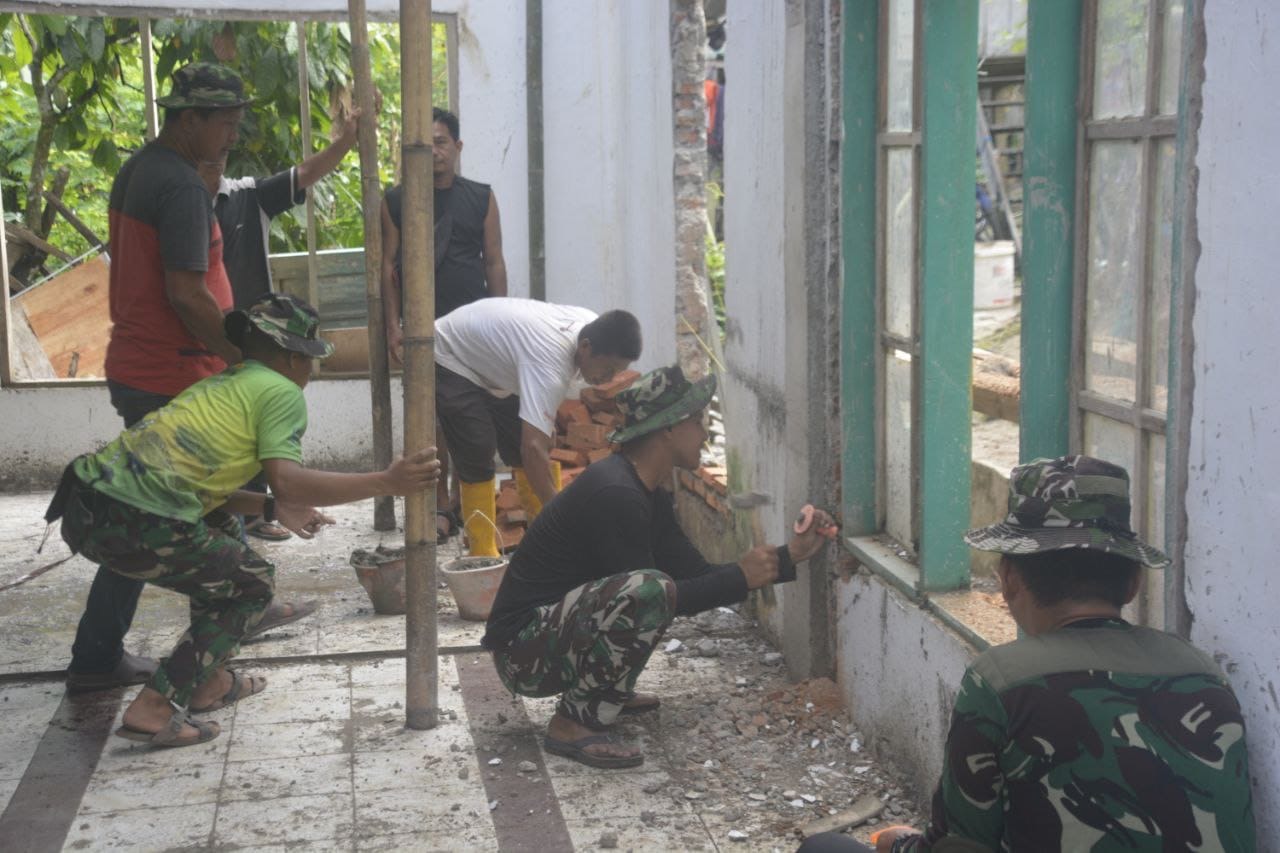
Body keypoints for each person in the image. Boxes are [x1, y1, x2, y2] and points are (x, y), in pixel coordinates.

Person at [800, 456, 1256, 853]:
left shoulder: (1001, 680)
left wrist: (900, 843)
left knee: (825, 847)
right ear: (1134, 581)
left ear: (1009, 580)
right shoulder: (1203, 672)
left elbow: (963, 847)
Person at [46, 294, 439, 747]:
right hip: (137, 520)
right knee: (251, 585)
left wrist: (271, 509)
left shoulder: (222, 385)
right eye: (309, 362)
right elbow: (288, 481)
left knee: (220, 533)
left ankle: (208, 683)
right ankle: (155, 706)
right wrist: (388, 481)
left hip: (86, 509)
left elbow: (202, 489)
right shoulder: (281, 392)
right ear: (295, 358)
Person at [482, 365, 836, 768]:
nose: (704, 433)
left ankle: (603, 691)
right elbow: (655, 598)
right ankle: (572, 725)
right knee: (649, 592)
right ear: (667, 429)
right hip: (521, 655)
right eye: (696, 422)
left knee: (652, 590)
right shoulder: (616, 493)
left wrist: (788, 555)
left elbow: (696, 577)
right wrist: (741, 576)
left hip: (550, 637)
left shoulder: (647, 489)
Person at [65, 63, 249, 695]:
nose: (230, 136)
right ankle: (155, 664)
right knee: (149, 527)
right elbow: (188, 294)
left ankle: (222, 636)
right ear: (189, 118)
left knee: (188, 515)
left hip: (147, 367)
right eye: (223, 124)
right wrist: (239, 357)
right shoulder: (179, 187)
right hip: (171, 374)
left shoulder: (143, 168)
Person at [198, 103, 365, 541]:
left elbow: (306, 173)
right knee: (218, 430)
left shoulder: (247, 196)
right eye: (205, 158)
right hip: (195, 335)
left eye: (220, 155)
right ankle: (220, 516)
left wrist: (345, 142)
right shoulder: (176, 203)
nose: (215, 162)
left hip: (254, 339)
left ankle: (254, 514)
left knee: (257, 424)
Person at [381, 106, 508, 543]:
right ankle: (436, 506)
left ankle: (460, 500)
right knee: (429, 418)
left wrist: (500, 320)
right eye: (424, 143)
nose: (433, 151)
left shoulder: (481, 196)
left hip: (473, 331)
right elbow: (388, 267)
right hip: (423, 330)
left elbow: (493, 260)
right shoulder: (397, 200)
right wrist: (393, 328)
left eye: (440, 142)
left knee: (469, 417)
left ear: (456, 147)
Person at [435, 298, 641, 557]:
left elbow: (534, 441)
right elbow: (533, 448)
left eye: (618, 372)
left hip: (496, 364)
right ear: (586, 348)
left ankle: (541, 536)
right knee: (478, 447)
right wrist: (561, 515)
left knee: (520, 443)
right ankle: (483, 553)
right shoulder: (550, 363)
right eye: (609, 369)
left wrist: (545, 424)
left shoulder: (590, 326)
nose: (609, 379)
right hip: (451, 353)